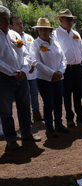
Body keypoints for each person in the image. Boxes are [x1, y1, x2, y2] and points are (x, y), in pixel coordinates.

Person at [0, 5, 41, 150]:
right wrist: (13, 72)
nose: (5, 22)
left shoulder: (14, 35)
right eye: (2, 19)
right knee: (6, 111)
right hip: (4, 78)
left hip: (21, 76)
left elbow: (25, 54)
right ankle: (11, 139)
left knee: (24, 107)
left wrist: (23, 70)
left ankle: (26, 133)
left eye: (7, 19)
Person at [30, 18, 68, 138]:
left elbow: (64, 59)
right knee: (48, 104)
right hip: (45, 80)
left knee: (58, 102)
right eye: (40, 29)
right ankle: (49, 128)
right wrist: (52, 74)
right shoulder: (35, 44)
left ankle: (58, 124)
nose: (43, 31)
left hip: (59, 78)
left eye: (45, 29)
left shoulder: (55, 41)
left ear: (49, 30)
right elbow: (36, 62)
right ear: (37, 30)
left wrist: (60, 72)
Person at [53, 9, 82, 127]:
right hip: (66, 70)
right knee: (67, 95)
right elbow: (55, 53)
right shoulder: (55, 34)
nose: (70, 22)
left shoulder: (76, 33)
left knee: (78, 94)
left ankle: (80, 116)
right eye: (67, 19)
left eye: (71, 20)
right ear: (60, 19)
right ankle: (69, 118)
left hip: (77, 68)